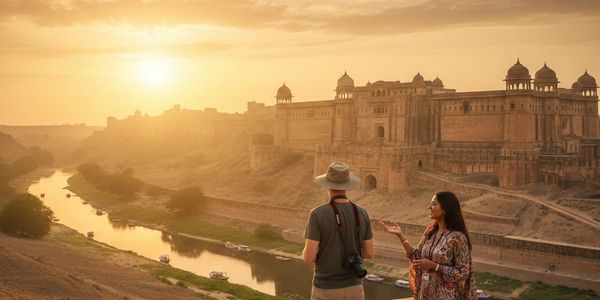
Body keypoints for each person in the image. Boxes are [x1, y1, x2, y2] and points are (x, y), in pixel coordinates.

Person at [379, 191, 476, 299]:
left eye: (434, 204)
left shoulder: (457, 238)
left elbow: (463, 273)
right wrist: (400, 236)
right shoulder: (430, 232)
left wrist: (435, 266)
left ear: (445, 209)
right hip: (424, 295)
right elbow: (416, 256)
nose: (429, 207)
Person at [303, 162, 374, 300]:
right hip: (355, 288)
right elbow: (369, 253)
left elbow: (309, 257)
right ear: (347, 186)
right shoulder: (362, 213)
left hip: (326, 288)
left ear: (327, 185)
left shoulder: (318, 214)